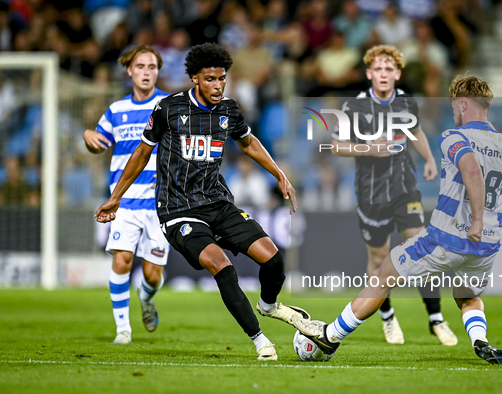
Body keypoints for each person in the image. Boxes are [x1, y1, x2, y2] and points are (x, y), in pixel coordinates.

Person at [294, 75, 502, 365]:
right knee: (467, 296)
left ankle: (330, 336)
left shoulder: (454, 137)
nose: (452, 111)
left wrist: (474, 219)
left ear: (463, 104)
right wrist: (496, 146)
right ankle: (481, 341)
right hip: (486, 245)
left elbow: (471, 170)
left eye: (453, 105)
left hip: (447, 237)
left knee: (382, 275)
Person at [94, 43, 308, 361]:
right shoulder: (168, 109)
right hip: (177, 209)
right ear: (195, 78)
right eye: (210, 79)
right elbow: (141, 154)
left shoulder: (230, 110)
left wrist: (279, 174)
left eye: (222, 78)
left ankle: (268, 305)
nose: (218, 85)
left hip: (217, 202)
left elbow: (248, 143)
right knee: (221, 265)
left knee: (274, 259)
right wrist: (115, 197)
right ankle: (260, 340)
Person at [330, 45, 457, 346]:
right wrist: (368, 148)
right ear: (369, 73)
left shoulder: (406, 103)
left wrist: (429, 158)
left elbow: (416, 132)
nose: (384, 74)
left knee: (424, 250)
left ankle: (436, 318)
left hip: (404, 188)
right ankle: (387, 317)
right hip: (371, 194)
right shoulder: (353, 107)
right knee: (378, 259)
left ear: (397, 74)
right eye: (378, 69)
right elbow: (336, 145)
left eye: (389, 69)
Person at [83, 45, 170, 345]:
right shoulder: (116, 110)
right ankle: (123, 330)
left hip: (160, 203)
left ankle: (146, 299)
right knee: (121, 260)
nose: (146, 72)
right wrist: (87, 137)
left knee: (153, 275)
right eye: (141, 66)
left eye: (152, 67)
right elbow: (99, 142)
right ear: (129, 71)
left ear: (158, 72)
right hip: (125, 201)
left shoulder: (168, 105)